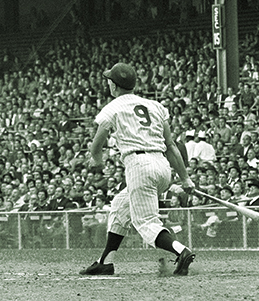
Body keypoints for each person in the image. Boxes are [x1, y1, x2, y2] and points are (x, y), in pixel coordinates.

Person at [79, 62, 196, 276]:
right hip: (162, 165)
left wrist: (97, 160)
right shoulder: (154, 105)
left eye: (109, 81)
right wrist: (185, 178)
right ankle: (105, 261)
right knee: (119, 206)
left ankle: (181, 251)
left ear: (114, 86)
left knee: (145, 223)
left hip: (139, 166)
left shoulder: (113, 107)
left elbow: (96, 145)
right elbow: (171, 145)